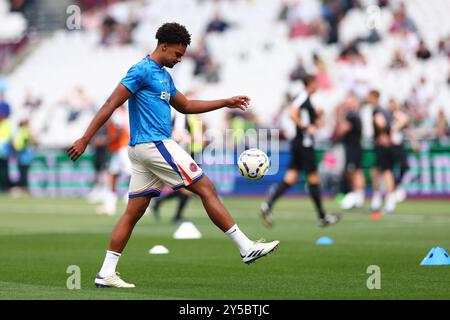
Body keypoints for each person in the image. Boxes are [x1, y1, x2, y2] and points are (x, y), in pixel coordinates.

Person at [67, 22, 279, 288]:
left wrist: (225, 102)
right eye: (177, 54)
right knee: (205, 187)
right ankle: (245, 247)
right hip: (154, 144)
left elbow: (187, 105)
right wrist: (85, 138)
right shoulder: (142, 70)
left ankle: (106, 272)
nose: (180, 60)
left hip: (142, 150)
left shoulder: (164, 76)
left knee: (134, 212)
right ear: (163, 46)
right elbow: (112, 102)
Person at [260, 75, 341, 228]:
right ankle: (322, 216)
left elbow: (303, 115)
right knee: (313, 179)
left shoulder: (307, 99)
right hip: (304, 144)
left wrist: (315, 116)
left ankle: (267, 206)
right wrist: (305, 127)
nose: (318, 86)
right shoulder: (303, 96)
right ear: (310, 83)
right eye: (316, 83)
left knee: (290, 178)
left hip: (298, 143)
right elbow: (292, 113)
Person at [96, 105, 132, 215]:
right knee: (112, 174)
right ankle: (110, 205)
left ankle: (131, 201)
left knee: (131, 174)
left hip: (123, 147)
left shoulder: (117, 113)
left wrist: (106, 141)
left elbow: (119, 131)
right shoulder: (124, 113)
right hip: (121, 147)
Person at [334, 93, 366, 210]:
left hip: (354, 148)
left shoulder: (352, 116)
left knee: (355, 172)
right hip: (353, 147)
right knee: (354, 172)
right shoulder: (354, 115)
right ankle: (357, 196)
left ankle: (358, 197)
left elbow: (341, 131)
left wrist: (339, 116)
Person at [367, 90, 396, 214]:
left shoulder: (377, 110)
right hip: (387, 144)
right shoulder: (385, 110)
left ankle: (384, 199)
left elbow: (381, 123)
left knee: (383, 171)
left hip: (382, 145)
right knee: (380, 171)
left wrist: (382, 134)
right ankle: (381, 199)